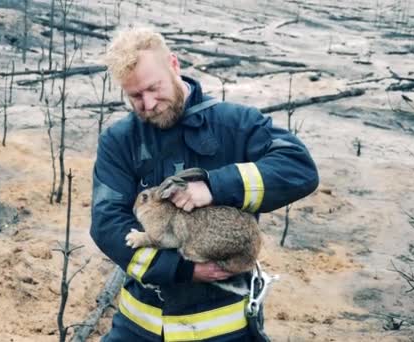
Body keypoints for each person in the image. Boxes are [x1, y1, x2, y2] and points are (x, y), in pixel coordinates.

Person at [90, 28, 319, 342]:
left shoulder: (236, 124)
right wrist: (181, 269)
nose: (149, 103)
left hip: (223, 328)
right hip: (139, 327)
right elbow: (107, 224)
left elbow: (299, 169)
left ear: (174, 64)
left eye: (154, 88)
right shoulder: (120, 141)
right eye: (135, 96)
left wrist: (217, 186)